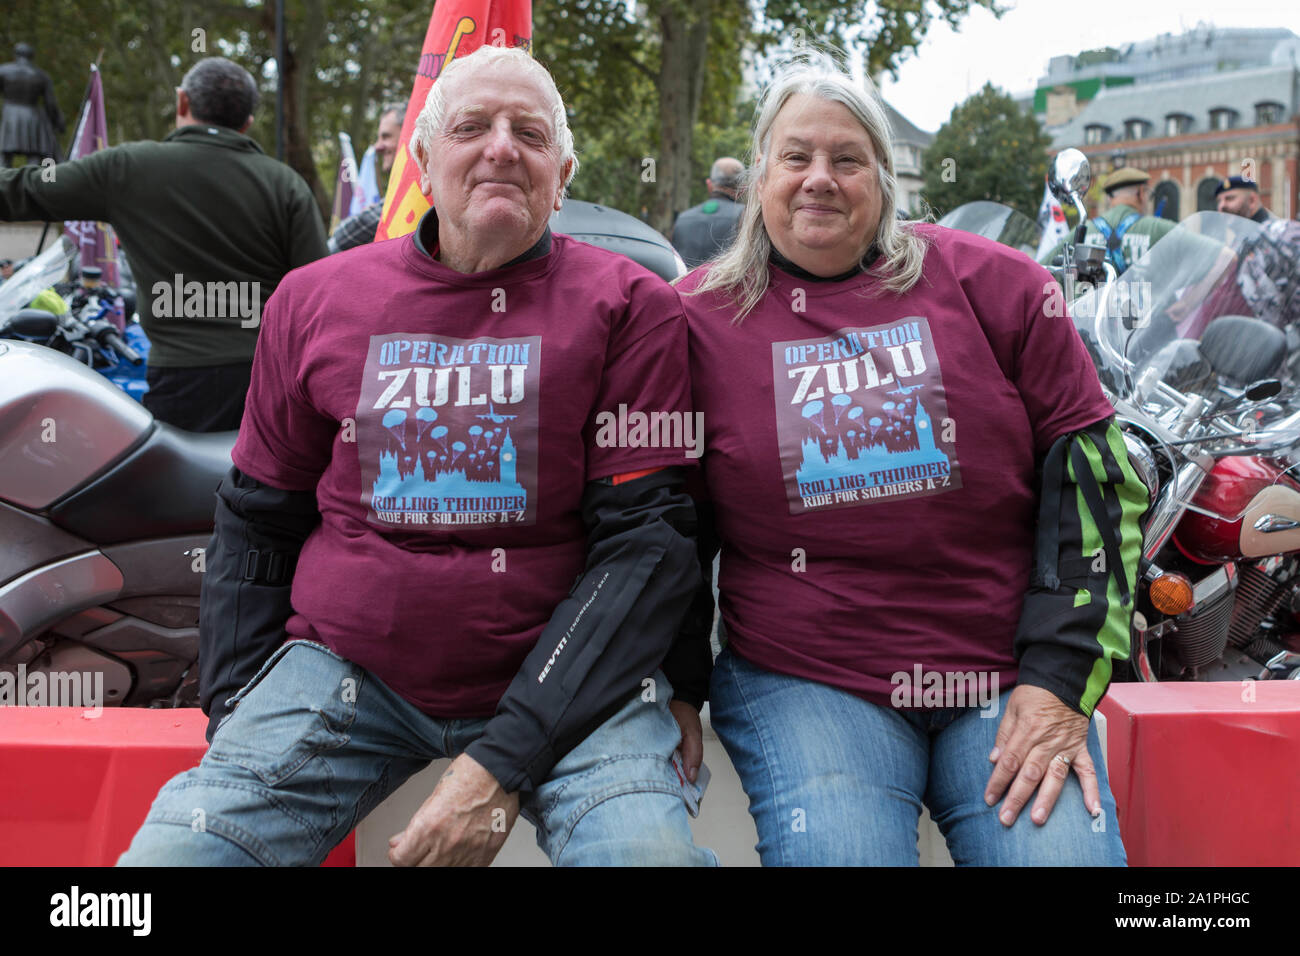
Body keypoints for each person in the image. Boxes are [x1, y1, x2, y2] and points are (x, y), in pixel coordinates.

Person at [118, 44, 716, 868]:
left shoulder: (632, 307)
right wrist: (235, 712)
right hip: (345, 673)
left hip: (574, 690)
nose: (502, 146)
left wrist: (500, 763)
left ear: (563, 172)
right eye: (472, 126)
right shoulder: (313, 298)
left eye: (529, 133)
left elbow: (647, 544)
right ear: (424, 163)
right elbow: (257, 517)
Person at [675, 54, 1147, 866]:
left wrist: (1061, 677)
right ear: (760, 175)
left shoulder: (998, 287)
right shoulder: (692, 320)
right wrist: (674, 684)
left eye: (847, 159)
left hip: (1002, 673)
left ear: (886, 180)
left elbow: (1098, 476)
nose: (819, 179)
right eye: (796, 157)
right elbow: (664, 521)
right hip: (809, 678)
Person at [0, 57, 327, 432]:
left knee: (175, 488)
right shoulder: (285, 184)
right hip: (272, 385)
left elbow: (19, 190)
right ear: (247, 121)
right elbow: (319, 294)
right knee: (262, 490)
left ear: (182, 102)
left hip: (181, 382)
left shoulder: (126, 168)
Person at [1045, 166, 1174, 274]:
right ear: (1140, 193)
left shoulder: (1082, 231)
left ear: (1109, 198)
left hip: (1090, 305)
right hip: (1145, 304)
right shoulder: (1159, 229)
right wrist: (1184, 303)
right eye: (1148, 195)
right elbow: (1194, 259)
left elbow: (1041, 270)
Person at [328, 105, 404, 253]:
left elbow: (341, 238)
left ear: (408, 134)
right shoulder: (395, 191)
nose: (378, 146)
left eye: (386, 136)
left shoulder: (417, 190)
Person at [671, 157, 744, 268]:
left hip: (682, 284)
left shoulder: (682, 218)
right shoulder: (746, 216)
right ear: (742, 189)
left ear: (709, 184)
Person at [0, 43, 65, 165]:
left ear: (16, 55)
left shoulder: (3, 71)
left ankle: (2, 182)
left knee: (5, 156)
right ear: (31, 56)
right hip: (33, 116)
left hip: (10, 114)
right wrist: (56, 122)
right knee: (34, 156)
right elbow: (50, 104)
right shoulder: (41, 75)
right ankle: (32, 182)